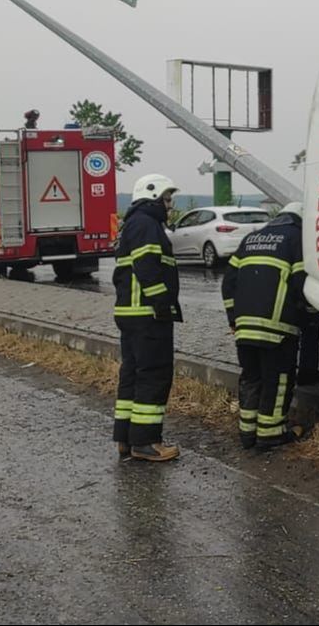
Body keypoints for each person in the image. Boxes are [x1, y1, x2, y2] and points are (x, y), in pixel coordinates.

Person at [221, 200, 319, 451]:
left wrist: (233, 318)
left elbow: (228, 283)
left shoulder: (251, 238)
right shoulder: (296, 239)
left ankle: (248, 433)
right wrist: (312, 315)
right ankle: (271, 433)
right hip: (278, 328)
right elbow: (302, 283)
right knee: (277, 380)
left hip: (244, 328)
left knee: (251, 379)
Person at [111, 173, 183, 462]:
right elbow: (147, 266)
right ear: (152, 197)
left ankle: (126, 438)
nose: (169, 206)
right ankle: (146, 442)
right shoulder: (147, 225)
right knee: (154, 375)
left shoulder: (133, 224)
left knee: (132, 375)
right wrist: (162, 304)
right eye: (167, 199)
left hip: (131, 314)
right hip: (148, 314)